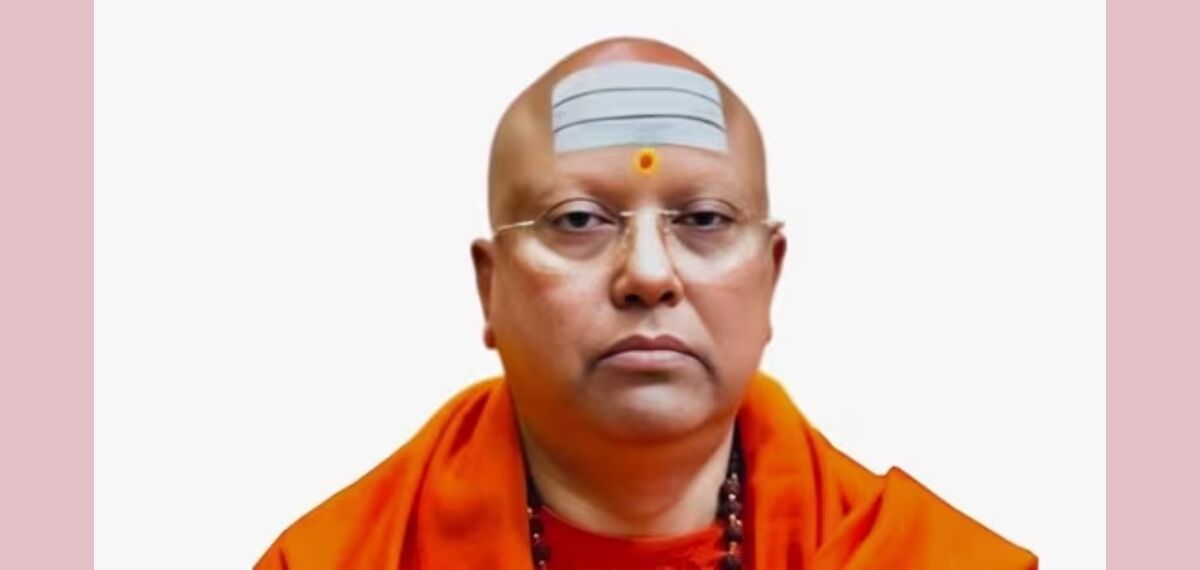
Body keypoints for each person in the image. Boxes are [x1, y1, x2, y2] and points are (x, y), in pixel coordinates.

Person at [255, 37, 1037, 569]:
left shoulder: (917, 555)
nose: (649, 274)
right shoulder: (335, 557)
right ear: (490, 287)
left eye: (705, 219)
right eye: (578, 221)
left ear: (771, 277)